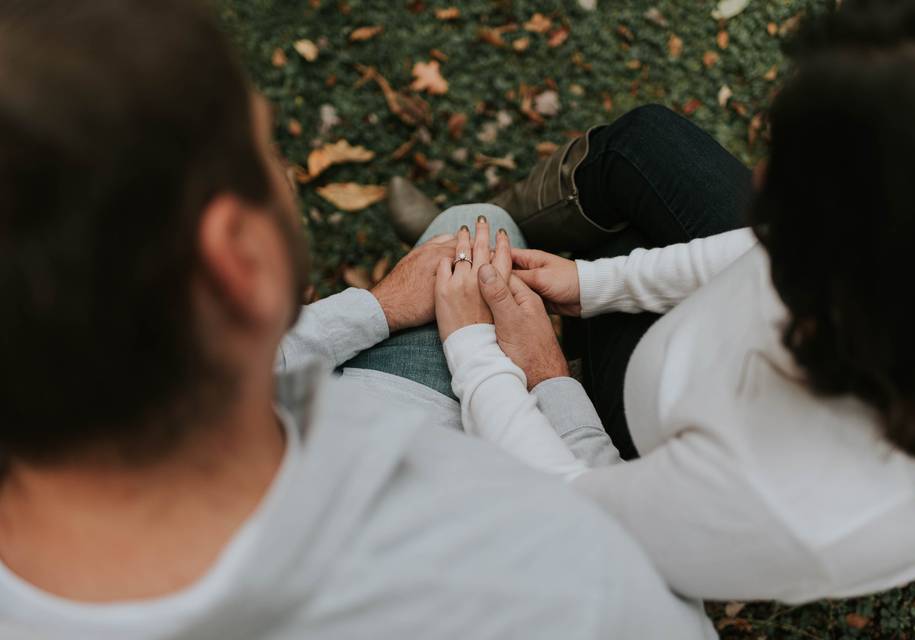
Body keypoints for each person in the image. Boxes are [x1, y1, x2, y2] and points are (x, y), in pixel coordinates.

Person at [0, 2, 717, 639]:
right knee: (485, 238)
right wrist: (545, 382)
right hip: (485, 441)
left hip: (342, 394)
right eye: (268, 149)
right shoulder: (562, 586)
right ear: (237, 263)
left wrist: (376, 307)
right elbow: (660, 583)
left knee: (472, 231)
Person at [388, 0, 915, 604]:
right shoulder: (903, 254)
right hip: (733, 347)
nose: (758, 178)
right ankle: (493, 233)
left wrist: (510, 365)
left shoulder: (784, 503)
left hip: (631, 458)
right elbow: (755, 248)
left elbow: (586, 514)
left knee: (616, 237)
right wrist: (596, 285)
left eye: (793, 178)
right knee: (644, 145)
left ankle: (475, 259)